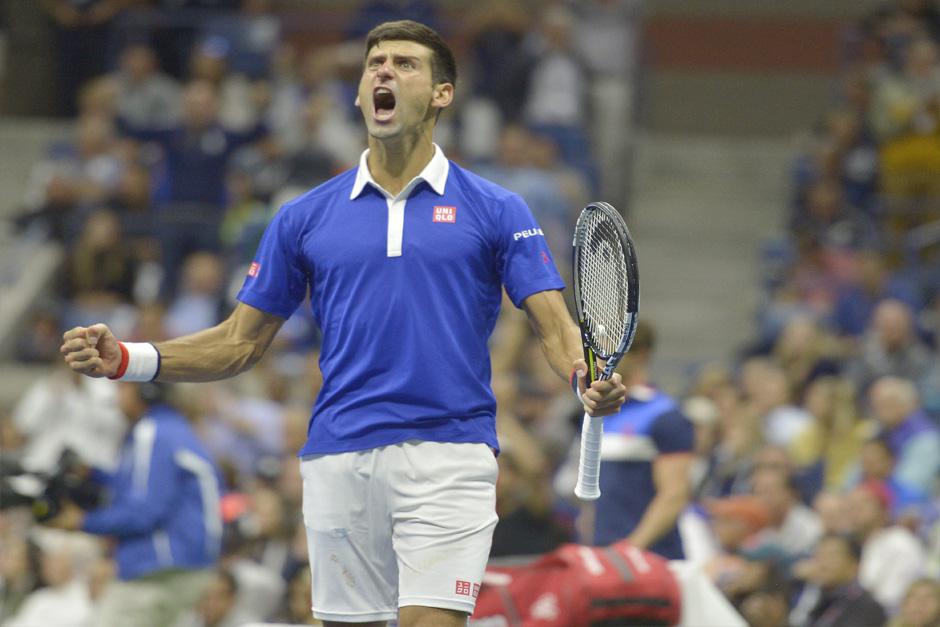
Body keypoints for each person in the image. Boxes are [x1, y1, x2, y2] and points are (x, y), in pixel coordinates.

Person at [60, 20, 627, 627]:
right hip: (338, 456)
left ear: (442, 94)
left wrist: (581, 377)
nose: (383, 71)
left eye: (405, 64)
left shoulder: (497, 208)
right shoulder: (302, 217)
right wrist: (127, 358)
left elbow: (554, 325)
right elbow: (237, 343)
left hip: (450, 454)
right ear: (359, 95)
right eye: (374, 63)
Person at [41, 382, 223, 627]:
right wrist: (92, 473)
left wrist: (81, 521)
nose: (117, 397)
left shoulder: (152, 431)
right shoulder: (171, 429)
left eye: (123, 388)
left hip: (161, 570)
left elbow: (143, 511)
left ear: (147, 391)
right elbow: (140, 489)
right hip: (181, 566)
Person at [590, 320, 695, 559]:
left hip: (651, 560)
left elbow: (674, 495)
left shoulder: (665, 415)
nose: (601, 359)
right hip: (603, 557)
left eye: (611, 350)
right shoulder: (596, 413)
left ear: (641, 354)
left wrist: (630, 550)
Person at [791, 534, 886, 627]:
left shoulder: (868, 607)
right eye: (819, 556)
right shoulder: (809, 592)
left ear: (854, 565)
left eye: (831, 556)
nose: (822, 563)